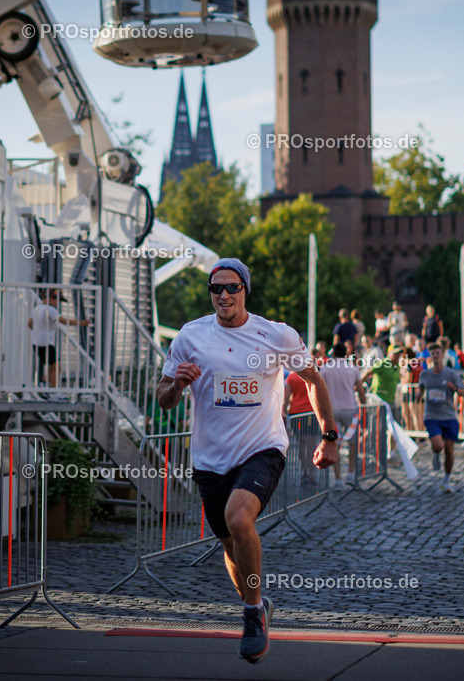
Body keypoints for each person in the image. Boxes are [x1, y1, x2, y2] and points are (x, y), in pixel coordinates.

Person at [156, 258, 339, 664]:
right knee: (230, 543)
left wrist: (329, 436)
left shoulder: (276, 335)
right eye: (216, 288)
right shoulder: (190, 336)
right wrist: (178, 384)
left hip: (263, 448)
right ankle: (255, 601)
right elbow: (164, 397)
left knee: (240, 520)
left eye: (232, 287)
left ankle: (252, 614)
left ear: (245, 291)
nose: (223, 295)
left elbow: (313, 379)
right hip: (210, 459)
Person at [418, 343, 464, 492]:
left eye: (437, 353)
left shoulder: (451, 374)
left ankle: (446, 480)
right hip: (432, 416)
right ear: (430, 356)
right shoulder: (425, 374)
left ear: (443, 354)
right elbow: (420, 389)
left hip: (449, 416)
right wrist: (418, 395)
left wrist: (454, 388)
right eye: (432, 353)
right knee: (438, 445)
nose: (435, 356)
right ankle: (436, 453)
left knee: (449, 450)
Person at [28, 288, 90, 400]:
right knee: (57, 366)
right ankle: (54, 392)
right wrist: (81, 323)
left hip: (36, 343)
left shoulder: (36, 309)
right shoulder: (51, 310)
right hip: (46, 343)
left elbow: (29, 324)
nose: (58, 303)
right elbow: (63, 321)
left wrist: (39, 329)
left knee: (53, 365)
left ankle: (44, 383)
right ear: (51, 298)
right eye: (57, 300)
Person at [320, 344, 367, 486]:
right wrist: (364, 406)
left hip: (332, 410)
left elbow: (320, 390)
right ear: (346, 354)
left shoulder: (325, 369)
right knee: (353, 443)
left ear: (333, 354)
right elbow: (360, 390)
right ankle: (351, 474)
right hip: (350, 409)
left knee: (335, 444)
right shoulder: (353, 369)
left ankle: (338, 478)